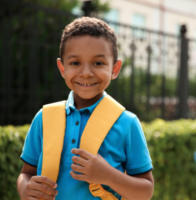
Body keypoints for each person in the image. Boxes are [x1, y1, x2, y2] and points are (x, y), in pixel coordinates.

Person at [16, 17, 154, 200]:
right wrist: (25, 188)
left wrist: (108, 175)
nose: (86, 73)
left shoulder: (127, 124)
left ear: (115, 68)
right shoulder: (44, 118)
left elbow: (146, 191)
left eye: (98, 63)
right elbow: (26, 173)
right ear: (62, 67)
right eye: (75, 63)